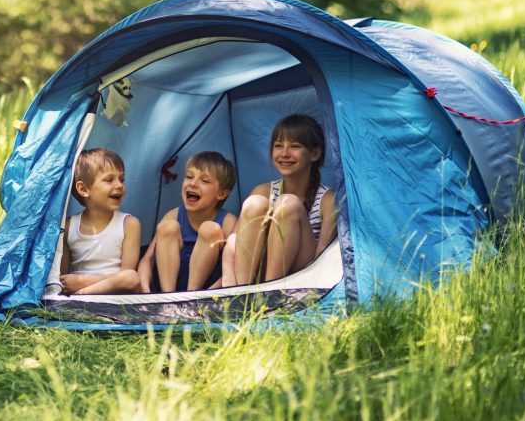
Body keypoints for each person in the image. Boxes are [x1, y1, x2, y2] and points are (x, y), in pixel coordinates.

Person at [220, 114, 337, 287]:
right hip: (258, 271)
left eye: (295, 146)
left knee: (287, 203)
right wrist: (227, 284)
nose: (284, 153)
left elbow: (323, 255)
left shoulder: (328, 199)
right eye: (278, 146)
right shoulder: (263, 191)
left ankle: (270, 293)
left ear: (314, 153)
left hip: (304, 272)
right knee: (254, 204)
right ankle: (243, 293)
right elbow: (234, 243)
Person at [138, 151, 238, 293]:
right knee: (167, 227)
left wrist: (213, 293)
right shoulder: (173, 215)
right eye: (189, 176)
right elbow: (147, 260)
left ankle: (192, 297)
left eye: (205, 181)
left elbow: (236, 267)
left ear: (221, 194)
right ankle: (168, 300)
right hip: (168, 290)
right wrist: (145, 290)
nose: (193, 183)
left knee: (210, 229)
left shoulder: (228, 222)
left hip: (204, 293)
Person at [60, 148, 142, 294]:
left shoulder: (129, 224)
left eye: (121, 179)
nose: (119, 185)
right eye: (109, 180)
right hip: (77, 287)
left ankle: (82, 295)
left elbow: (126, 275)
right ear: (83, 189)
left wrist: (83, 282)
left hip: (113, 292)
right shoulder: (68, 227)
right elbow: (64, 278)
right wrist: (71, 283)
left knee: (131, 277)